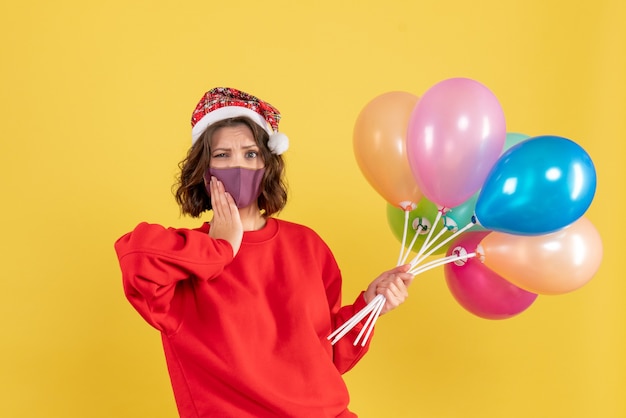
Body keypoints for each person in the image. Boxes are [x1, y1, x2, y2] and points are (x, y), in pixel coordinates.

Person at [114, 87, 414, 418]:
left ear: (267, 165)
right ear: (203, 170)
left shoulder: (308, 247)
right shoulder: (186, 264)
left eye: (251, 153)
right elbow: (136, 259)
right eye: (222, 155)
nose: (238, 165)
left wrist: (369, 308)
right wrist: (221, 247)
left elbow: (323, 359)